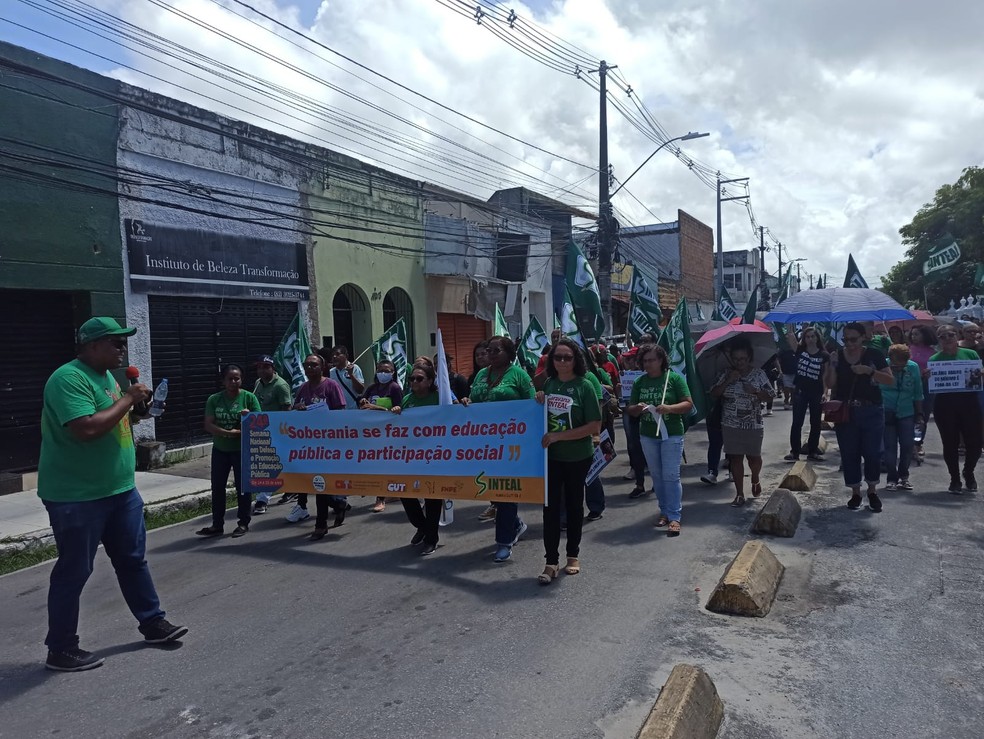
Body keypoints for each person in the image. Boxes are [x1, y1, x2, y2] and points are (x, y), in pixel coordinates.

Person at [38, 316, 187, 671]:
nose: (122, 348)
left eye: (124, 342)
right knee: (74, 570)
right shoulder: (68, 378)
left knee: (133, 560)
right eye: (115, 342)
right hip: (77, 495)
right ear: (91, 345)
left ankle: (153, 622)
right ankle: (60, 648)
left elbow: (110, 420)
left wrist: (135, 412)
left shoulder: (107, 378)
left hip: (119, 491)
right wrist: (129, 397)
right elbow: (87, 428)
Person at [536, 337, 602, 583]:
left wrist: (559, 436)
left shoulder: (584, 386)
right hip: (550, 458)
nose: (562, 361)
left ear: (576, 360)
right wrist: (539, 399)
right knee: (549, 509)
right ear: (551, 361)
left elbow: (594, 426)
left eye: (567, 357)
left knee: (575, 506)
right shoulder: (549, 384)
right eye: (557, 357)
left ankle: (572, 554)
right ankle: (550, 561)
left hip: (577, 456)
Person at [465, 335, 534, 562]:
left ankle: (503, 542)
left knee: (506, 490)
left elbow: (532, 407)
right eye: (489, 350)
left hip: (511, 443)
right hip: (484, 444)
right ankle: (516, 524)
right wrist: (466, 403)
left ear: (509, 353)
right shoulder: (481, 375)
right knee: (493, 490)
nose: (491, 354)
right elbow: (475, 402)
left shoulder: (519, 376)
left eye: (496, 351)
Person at [824, 323, 893, 510]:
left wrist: (869, 371)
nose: (849, 343)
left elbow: (889, 379)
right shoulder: (838, 355)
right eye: (845, 339)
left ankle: (872, 490)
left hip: (872, 410)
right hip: (847, 411)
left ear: (863, 337)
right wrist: (832, 364)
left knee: (872, 452)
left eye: (853, 339)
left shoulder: (874, 355)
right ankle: (855, 492)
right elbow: (830, 384)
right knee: (849, 453)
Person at [627, 344, 693, 535]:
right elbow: (630, 409)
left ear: (661, 360)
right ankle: (663, 511)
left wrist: (670, 408)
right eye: (645, 360)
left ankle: (675, 516)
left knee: (671, 475)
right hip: (648, 434)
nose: (648, 364)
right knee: (656, 475)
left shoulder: (673, 379)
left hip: (671, 433)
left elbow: (688, 403)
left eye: (652, 360)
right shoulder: (640, 382)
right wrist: (638, 408)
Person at [197, 364, 261, 538]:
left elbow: (260, 424)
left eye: (237, 378)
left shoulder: (249, 398)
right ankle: (217, 524)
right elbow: (208, 425)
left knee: (243, 488)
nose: (234, 382)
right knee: (217, 487)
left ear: (242, 379)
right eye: (230, 379)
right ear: (223, 381)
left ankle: (243, 523)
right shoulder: (214, 399)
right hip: (220, 450)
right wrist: (228, 433)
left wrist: (247, 419)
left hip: (241, 451)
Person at [709, 339, 774, 507]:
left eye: (743, 359)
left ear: (749, 358)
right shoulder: (726, 373)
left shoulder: (758, 374)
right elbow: (714, 393)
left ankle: (755, 477)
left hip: (753, 424)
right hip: (730, 423)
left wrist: (756, 391)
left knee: (754, 458)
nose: (740, 362)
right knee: (735, 459)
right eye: (736, 359)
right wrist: (728, 380)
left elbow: (770, 396)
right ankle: (739, 494)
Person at [284, 355, 347, 526]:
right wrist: (298, 409)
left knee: (322, 485)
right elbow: (295, 412)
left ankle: (321, 525)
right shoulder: (303, 388)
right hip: (310, 445)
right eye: (307, 365)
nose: (310, 368)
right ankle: (338, 503)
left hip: (328, 443)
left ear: (322, 367)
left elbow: (341, 411)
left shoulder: (331, 385)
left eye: (314, 365)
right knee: (315, 484)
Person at [390, 364, 443, 555]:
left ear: (430, 381)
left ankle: (431, 538)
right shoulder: (407, 400)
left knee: (432, 497)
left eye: (419, 379)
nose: (414, 382)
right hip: (411, 455)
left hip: (435, 454)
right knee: (406, 494)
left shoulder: (439, 397)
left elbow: (455, 413)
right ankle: (422, 526)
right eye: (412, 379)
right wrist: (396, 412)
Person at [929, 326, 983, 493]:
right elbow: (933, 384)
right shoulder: (934, 359)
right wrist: (928, 377)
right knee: (950, 442)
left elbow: (978, 376)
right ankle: (955, 478)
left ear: (957, 336)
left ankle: (968, 471)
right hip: (945, 404)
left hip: (969, 402)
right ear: (939, 340)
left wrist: (980, 373)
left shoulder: (971, 354)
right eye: (942, 336)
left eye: (950, 335)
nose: (947, 339)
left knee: (975, 442)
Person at [359, 359, 405, 512]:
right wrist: (364, 402)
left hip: (390, 433)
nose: (382, 373)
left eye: (386, 370)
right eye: (380, 370)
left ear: (393, 372)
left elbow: (398, 411)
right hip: (373, 432)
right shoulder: (372, 388)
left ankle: (380, 499)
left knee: (385, 465)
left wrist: (375, 408)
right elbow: (363, 404)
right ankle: (389, 492)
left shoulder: (395, 388)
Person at [878, 344, 924, 491]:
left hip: (907, 412)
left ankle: (904, 476)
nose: (898, 367)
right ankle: (892, 478)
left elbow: (918, 392)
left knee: (907, 445)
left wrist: (920, 414)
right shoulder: (882, 365)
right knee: (889, 447)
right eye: (895, 364)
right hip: (887, 411)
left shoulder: (913, 368)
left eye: (901, 364)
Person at [251, 355, 293, 514]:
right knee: (267, 464)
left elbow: (286, 411)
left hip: (276, 431)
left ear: (272, 368)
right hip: (261, 430)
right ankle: (290, 489)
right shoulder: (257, 384)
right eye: (259, 367)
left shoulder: (280, 386)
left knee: (270, 464)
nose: (261, 370)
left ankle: (262, 499)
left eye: (265, 367)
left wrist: (282, 434)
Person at [783, 325, 829, 463]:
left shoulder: (824, 355)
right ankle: (794, 452)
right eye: (807, 337)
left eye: (812, 336)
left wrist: (826, 392)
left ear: (817, 338)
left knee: (815, 422)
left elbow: (826, 375)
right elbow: (790, 336)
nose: (810, 339)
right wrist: (789, 327)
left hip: (817, 391)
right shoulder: (800, 351)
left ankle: (812, 451)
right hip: (800, 391)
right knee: (797, 422)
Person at [907, 324, 936, 461]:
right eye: (912, 334)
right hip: (909, 386)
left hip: (926, 386)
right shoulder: (907, 350)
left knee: (922, 415)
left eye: (917, 334)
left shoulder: (933, 352)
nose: (914, 336)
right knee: (909, 415)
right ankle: (909, 444)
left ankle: (918, 443)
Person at [328, 345, 365, 410]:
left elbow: (360, 390)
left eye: (337, 354)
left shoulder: (355, 368)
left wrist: (351, 375)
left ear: (346, 356)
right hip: (338, 410)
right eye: (332, 355)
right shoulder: (331, 372)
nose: (334, 357)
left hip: (353, 409)